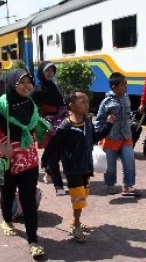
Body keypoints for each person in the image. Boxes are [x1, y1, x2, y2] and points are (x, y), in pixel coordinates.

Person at [0, 69, 50, 258]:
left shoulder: (31, 104)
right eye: (21, 82)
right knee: (6, 196)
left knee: (29, 200)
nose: (27, 86)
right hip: (6, 161)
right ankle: (7, 221)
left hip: (30, 161)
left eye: (29, 82)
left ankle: (33, 241)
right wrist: (0, 147)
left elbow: (33, 128)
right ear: (11, 84)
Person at [41, 89, 115, 242]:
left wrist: (108, 125)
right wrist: (45, 161)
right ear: (71, 105)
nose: (86, 104)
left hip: (86, 165)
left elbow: (95, 137)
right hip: (72, 168)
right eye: (82, 101)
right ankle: (76, 226)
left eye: (87, 101)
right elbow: (53, 145)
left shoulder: (87, 121)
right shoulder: (65, 126)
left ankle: (75, 221)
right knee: (79, 197)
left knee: (83, 195)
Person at [95, 72, 138, 196]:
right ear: (114, 87)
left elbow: (128, 113)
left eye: (126, 84)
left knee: (129, 161)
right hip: (111, 138)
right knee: (110, 166)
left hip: (126, 136)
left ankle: (128, 186)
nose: (126, 87)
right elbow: (99, 120)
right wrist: (97, 136)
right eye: (123, 85)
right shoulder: (106, 102)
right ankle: (110, 185)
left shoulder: (126, 98)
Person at [31, 61, 67, 196]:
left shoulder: (56, 87)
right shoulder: (37, 90)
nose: (50, 73)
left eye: (52, 71)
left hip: (60, 123)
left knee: (59, 153)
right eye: (47, 71)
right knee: (52, 154)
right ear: (41, 72)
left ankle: (47, 168)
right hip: (46, 125)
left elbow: (62, 104)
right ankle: (59, 185)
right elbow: (32, 109)